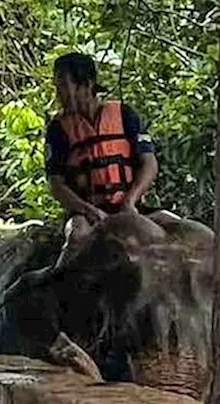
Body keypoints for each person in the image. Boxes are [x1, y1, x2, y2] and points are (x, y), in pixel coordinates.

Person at [44, 52, 170, 261]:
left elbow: (149, 162)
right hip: (86, 215)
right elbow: (56, 184)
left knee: (178, 227)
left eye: (64, 86)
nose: (59, 94)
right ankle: (57, 289)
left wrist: (130, 201)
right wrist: (88, 210)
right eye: (58, 87)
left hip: (131, 207)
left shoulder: (124, 114)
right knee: (76, 236)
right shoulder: (58, 129)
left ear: (86, 84)